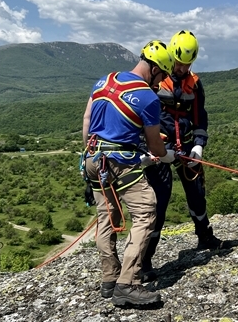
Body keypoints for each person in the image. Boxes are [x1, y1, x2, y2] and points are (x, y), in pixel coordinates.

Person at [82, 40, 176, 306]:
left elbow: (87, 120)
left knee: (106, 216)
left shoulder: (104, 80)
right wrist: (164, 155)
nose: (162, 81)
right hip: (120, 161)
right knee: (146, 211)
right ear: (157, 69)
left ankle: (109, 279)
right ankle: (128, 283)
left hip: (93, 156)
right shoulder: (148, 97)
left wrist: (91, 156)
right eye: (163, 75)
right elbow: (155, 144)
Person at [140, 30, 225, 282]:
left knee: (196, 193)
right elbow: (145, 116)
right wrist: (151, 148)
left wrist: (199, 145)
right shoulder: (157, 81)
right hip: (160, 147)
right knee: (159, 201)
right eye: (179, 63)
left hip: (186, 146)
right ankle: (144, 260)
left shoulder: (195, 83)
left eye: (187, 63)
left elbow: (200, 115)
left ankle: (205, 235)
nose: (181, 67)